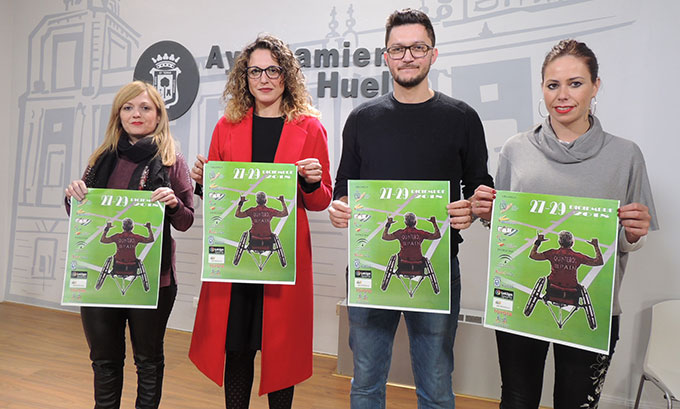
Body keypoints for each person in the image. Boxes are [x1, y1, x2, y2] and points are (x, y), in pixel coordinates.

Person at [471, 39, 658, 408]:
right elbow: (505, 230)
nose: (563, 95)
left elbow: (629, 238)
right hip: (522, 303)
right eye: (552, 84)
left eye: (575, 83)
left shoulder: (626, 155)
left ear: (595, 86)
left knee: (576, 403)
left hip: (597, 309)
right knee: (517, 399)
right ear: (542, 88)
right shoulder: (515, 149)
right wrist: (489, 214)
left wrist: (635, 233)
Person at [328, 9, 493, 409]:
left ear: (433, 54)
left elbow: (481, 190)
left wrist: (472, 209)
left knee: (436, 386)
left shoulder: (462, 118)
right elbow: (344, 189)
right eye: (397, 49)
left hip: (438, 267)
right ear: (385, 57)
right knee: (365, 381)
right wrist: (339, 208)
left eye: (417, 47)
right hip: (371, 267)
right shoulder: (362, 119)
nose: (407, 56)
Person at [188, 34, 332, 409]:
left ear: (287, 75)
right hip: (238, 258)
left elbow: (320, 202)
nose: (264, 78)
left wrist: (313, 182)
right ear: (245, 77)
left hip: (284, 259)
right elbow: (218, 202)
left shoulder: (310, 128)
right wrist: (203, 182)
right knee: (236, 347)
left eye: (273, 69)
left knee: (280, 350)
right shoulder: (226, 126)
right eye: (255, 71)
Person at [64, 80, 195, 409]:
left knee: (148, 361)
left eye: (145, 108)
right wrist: (73, 197)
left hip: (155, 282)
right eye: (128, 107)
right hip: (99, 283)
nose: (136, 114)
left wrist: (175, 205)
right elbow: (81, 217)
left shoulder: (171, 160)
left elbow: (186, 220)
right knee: (104, 362)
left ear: (158, 115)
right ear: (118, 114)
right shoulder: (99, 160)